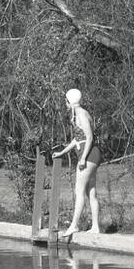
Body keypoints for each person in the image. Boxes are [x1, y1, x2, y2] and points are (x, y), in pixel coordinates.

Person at [54, 88, 102, 238]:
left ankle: (74, 225)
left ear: (69, 101)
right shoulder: (78, 114)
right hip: (90, 155)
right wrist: (62, 152)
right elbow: (77, 139)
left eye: (66, 100)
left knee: (79, 190)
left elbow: (89, 137)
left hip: (89, 156)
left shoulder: (81, 114)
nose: (65, 103)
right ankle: (95, 227)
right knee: (91, 192)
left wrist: (82, 159)